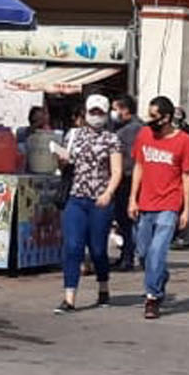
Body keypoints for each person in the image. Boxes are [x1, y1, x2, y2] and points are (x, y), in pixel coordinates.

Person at [129, 96, 189, 319]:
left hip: (169, 203)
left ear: (167, 118)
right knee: (143, 252)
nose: (151, 121)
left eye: (155, 117)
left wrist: (186, 209)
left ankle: (152, 296)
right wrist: (133, 197)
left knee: (157, 252)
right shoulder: (144, 135)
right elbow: (139, 166)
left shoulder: (184, 141)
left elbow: (187, 175)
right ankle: (160, 276)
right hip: (146, 202)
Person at [55, 94, 123, 314]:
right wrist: (62, 158)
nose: (95, 116)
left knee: (97, 250)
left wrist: (108, 193)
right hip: (76, 197)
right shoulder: (74, 135)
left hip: (100, 201)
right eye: (91, 112)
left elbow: (117, 171)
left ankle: (103, 285)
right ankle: (69, 297)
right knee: (73, 247)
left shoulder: (111, 139)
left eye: (99, 113)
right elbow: (65, 164)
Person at [111, 96, 142, 271]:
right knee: (126, 221)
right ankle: (126, 254)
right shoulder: (129, 128)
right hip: (128, 178)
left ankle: (128, 256)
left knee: (126, 220)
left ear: (125, 109)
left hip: (127, 179)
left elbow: (129, 158)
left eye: (116, 109)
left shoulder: (130, 130)